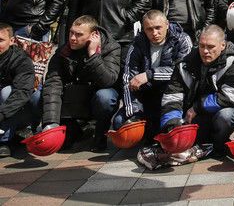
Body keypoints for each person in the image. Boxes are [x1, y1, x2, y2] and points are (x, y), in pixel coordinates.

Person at [160, 25, 234, 155]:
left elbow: (231, 95)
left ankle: (219, 146)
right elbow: (172, 96)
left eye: (211, 47)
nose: (205, 51)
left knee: (227, 116)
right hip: (194, 117)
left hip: (218, 111)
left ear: (223, 45)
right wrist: (172, 126)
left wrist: (197, 107)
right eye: (202, 46)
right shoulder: (185, 64)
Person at [41, 15, 121, 151]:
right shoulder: (63, 51)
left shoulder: (111, 47)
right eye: (71, 33)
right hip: (73, 100)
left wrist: (93, 55)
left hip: (96, 97)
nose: (72, 38)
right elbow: (53, 84)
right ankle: (74, 130)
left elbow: (108, 80)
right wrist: (51, 123)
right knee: (39, 95)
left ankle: (99, 134)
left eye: (78, 35)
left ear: (93, 35)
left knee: (106, 97)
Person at [114, 10, 192, 140]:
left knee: (168, 129)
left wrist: (149, 75)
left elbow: (181, 72)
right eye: (149, 29)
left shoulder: (182, 40)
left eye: (158, 28)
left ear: (167, 24)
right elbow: (128, 79)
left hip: (173, 96)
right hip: (147, 97)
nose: (154, 33)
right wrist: (134, 113)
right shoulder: (137, 44)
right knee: (119, 123)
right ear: (143, 29)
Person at [0, 22, 38, 157]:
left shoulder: (21, 59)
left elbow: (22, 92)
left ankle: (4, 142)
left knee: (7, 92)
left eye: (0, 40)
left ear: (11, 41)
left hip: (20, 108)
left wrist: (1, 114)